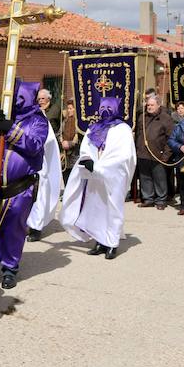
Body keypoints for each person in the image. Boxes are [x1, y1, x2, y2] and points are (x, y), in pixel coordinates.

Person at [0, 80, 48, 289]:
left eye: (21, 97)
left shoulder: (38, 121)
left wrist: (11, 130)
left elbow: (34, 146)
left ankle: (10, 267)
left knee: (13, 227)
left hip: (19, 187)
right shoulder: (2, 114)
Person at [60, 97, 136, 259]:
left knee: (112, 207)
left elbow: (123, 155)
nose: (104, 111)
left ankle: (112, 243)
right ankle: (100, 240)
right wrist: (88, 160)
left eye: (108, 108)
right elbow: (86, 147)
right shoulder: (94, 127)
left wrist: (101, 167)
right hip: (94, 175)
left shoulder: (123, 129)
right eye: (102, 108)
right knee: (96, 207)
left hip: (113, 175)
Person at [134, 95, 175, 210]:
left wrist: (166, 154)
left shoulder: (166, 118)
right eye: (148, 105)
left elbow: (171, 138)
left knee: (160, 178)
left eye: (152, 105)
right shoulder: (142, 117)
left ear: (158, 105)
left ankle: (161, 199)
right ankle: (148, 198)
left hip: (158, 154)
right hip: (143, 153)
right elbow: (138, 134)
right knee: (145, 177)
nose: (149, 107)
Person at [26, 123, 62, 242]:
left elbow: (48, 140)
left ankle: (36, 227)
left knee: (38, 195)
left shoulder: (39, 119)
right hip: (19, 162)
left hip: (37, 162)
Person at [59, 99, 79, 182]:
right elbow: (60, 133)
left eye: (71, 108)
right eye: (68, 108)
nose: (69, 110)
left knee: (74, 175)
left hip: (75, 152)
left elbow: (78, 136)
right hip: (65, 153)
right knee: (66, 174)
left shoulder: (78, 123)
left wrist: (71, 143)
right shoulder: (65, 121)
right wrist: (61, 141)